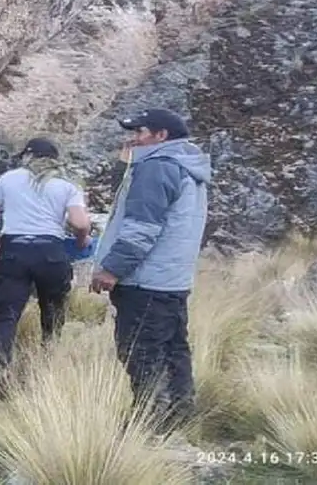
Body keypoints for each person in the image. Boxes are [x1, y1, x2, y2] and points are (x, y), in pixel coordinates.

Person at [89, 108, 212, 432]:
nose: (133, 137)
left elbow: (141, 228)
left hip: (144, 282)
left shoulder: (156, 168)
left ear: (161, 136)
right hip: (172, 281)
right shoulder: (186, 168)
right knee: (173, 347)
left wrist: (111, 269)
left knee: (140, 351)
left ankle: (150, 421)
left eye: (140, 131)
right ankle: (180, 414)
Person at [0, 138, 91, 387]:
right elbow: (80, 223)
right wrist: (82, 241)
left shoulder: (8, 179)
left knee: (6, 312)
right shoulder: (67, 184)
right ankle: (47, 360)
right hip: (51, 251)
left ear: (28, 156)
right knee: (52, 307)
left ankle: (0, 369)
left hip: (14, 249)